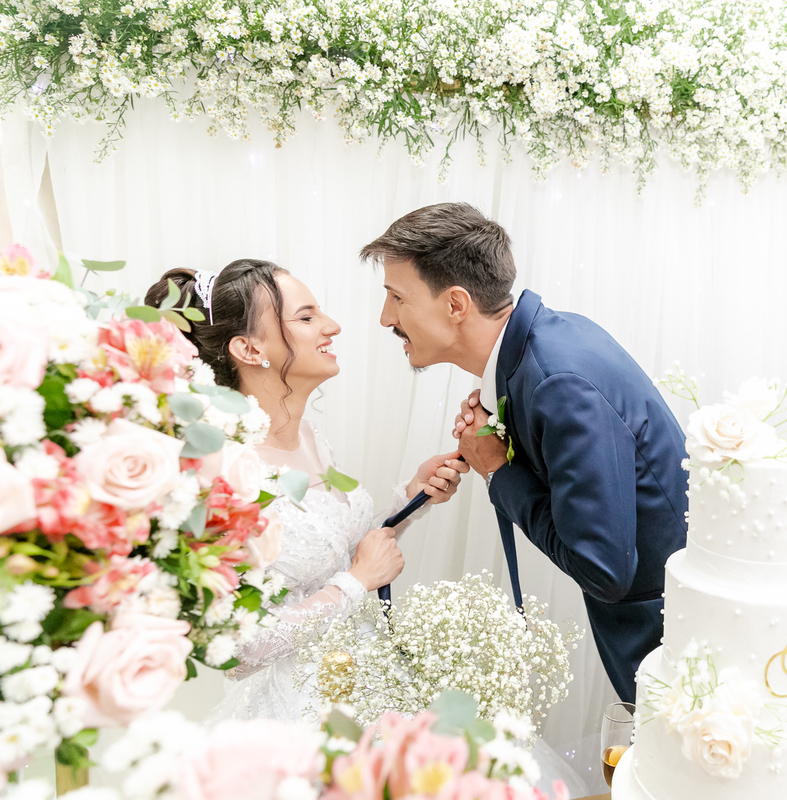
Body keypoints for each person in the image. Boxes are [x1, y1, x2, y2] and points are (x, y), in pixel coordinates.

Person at [360, 203, 689, 702]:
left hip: (669, 638)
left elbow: (604, 572)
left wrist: (497, 468)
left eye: (397, 297)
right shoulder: (547, 342)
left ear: (456, 304)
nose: (387, 318)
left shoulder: (558, 381)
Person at [145, 260, 469, 722]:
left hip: (369, 684)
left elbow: (337, 553)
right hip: (298, 716)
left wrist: (412, 500)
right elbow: (235, 650)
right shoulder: (220, 467)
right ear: (249, 348)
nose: (331, 326)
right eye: (306, 316)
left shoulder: (310, 436)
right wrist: (356, 584)